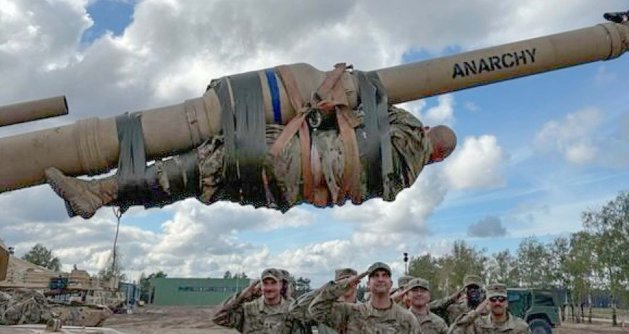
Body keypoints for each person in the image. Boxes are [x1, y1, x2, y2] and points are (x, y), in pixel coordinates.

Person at [45, 108, 457, 219]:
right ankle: (106, 197)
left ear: (429, 135)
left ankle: (101, 193)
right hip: (292, 193)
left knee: (207, 161)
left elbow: (351, 108)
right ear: (437, 159)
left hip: (290, 158)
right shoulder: (404, 180)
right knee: (203, 183)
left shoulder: (404, 124)